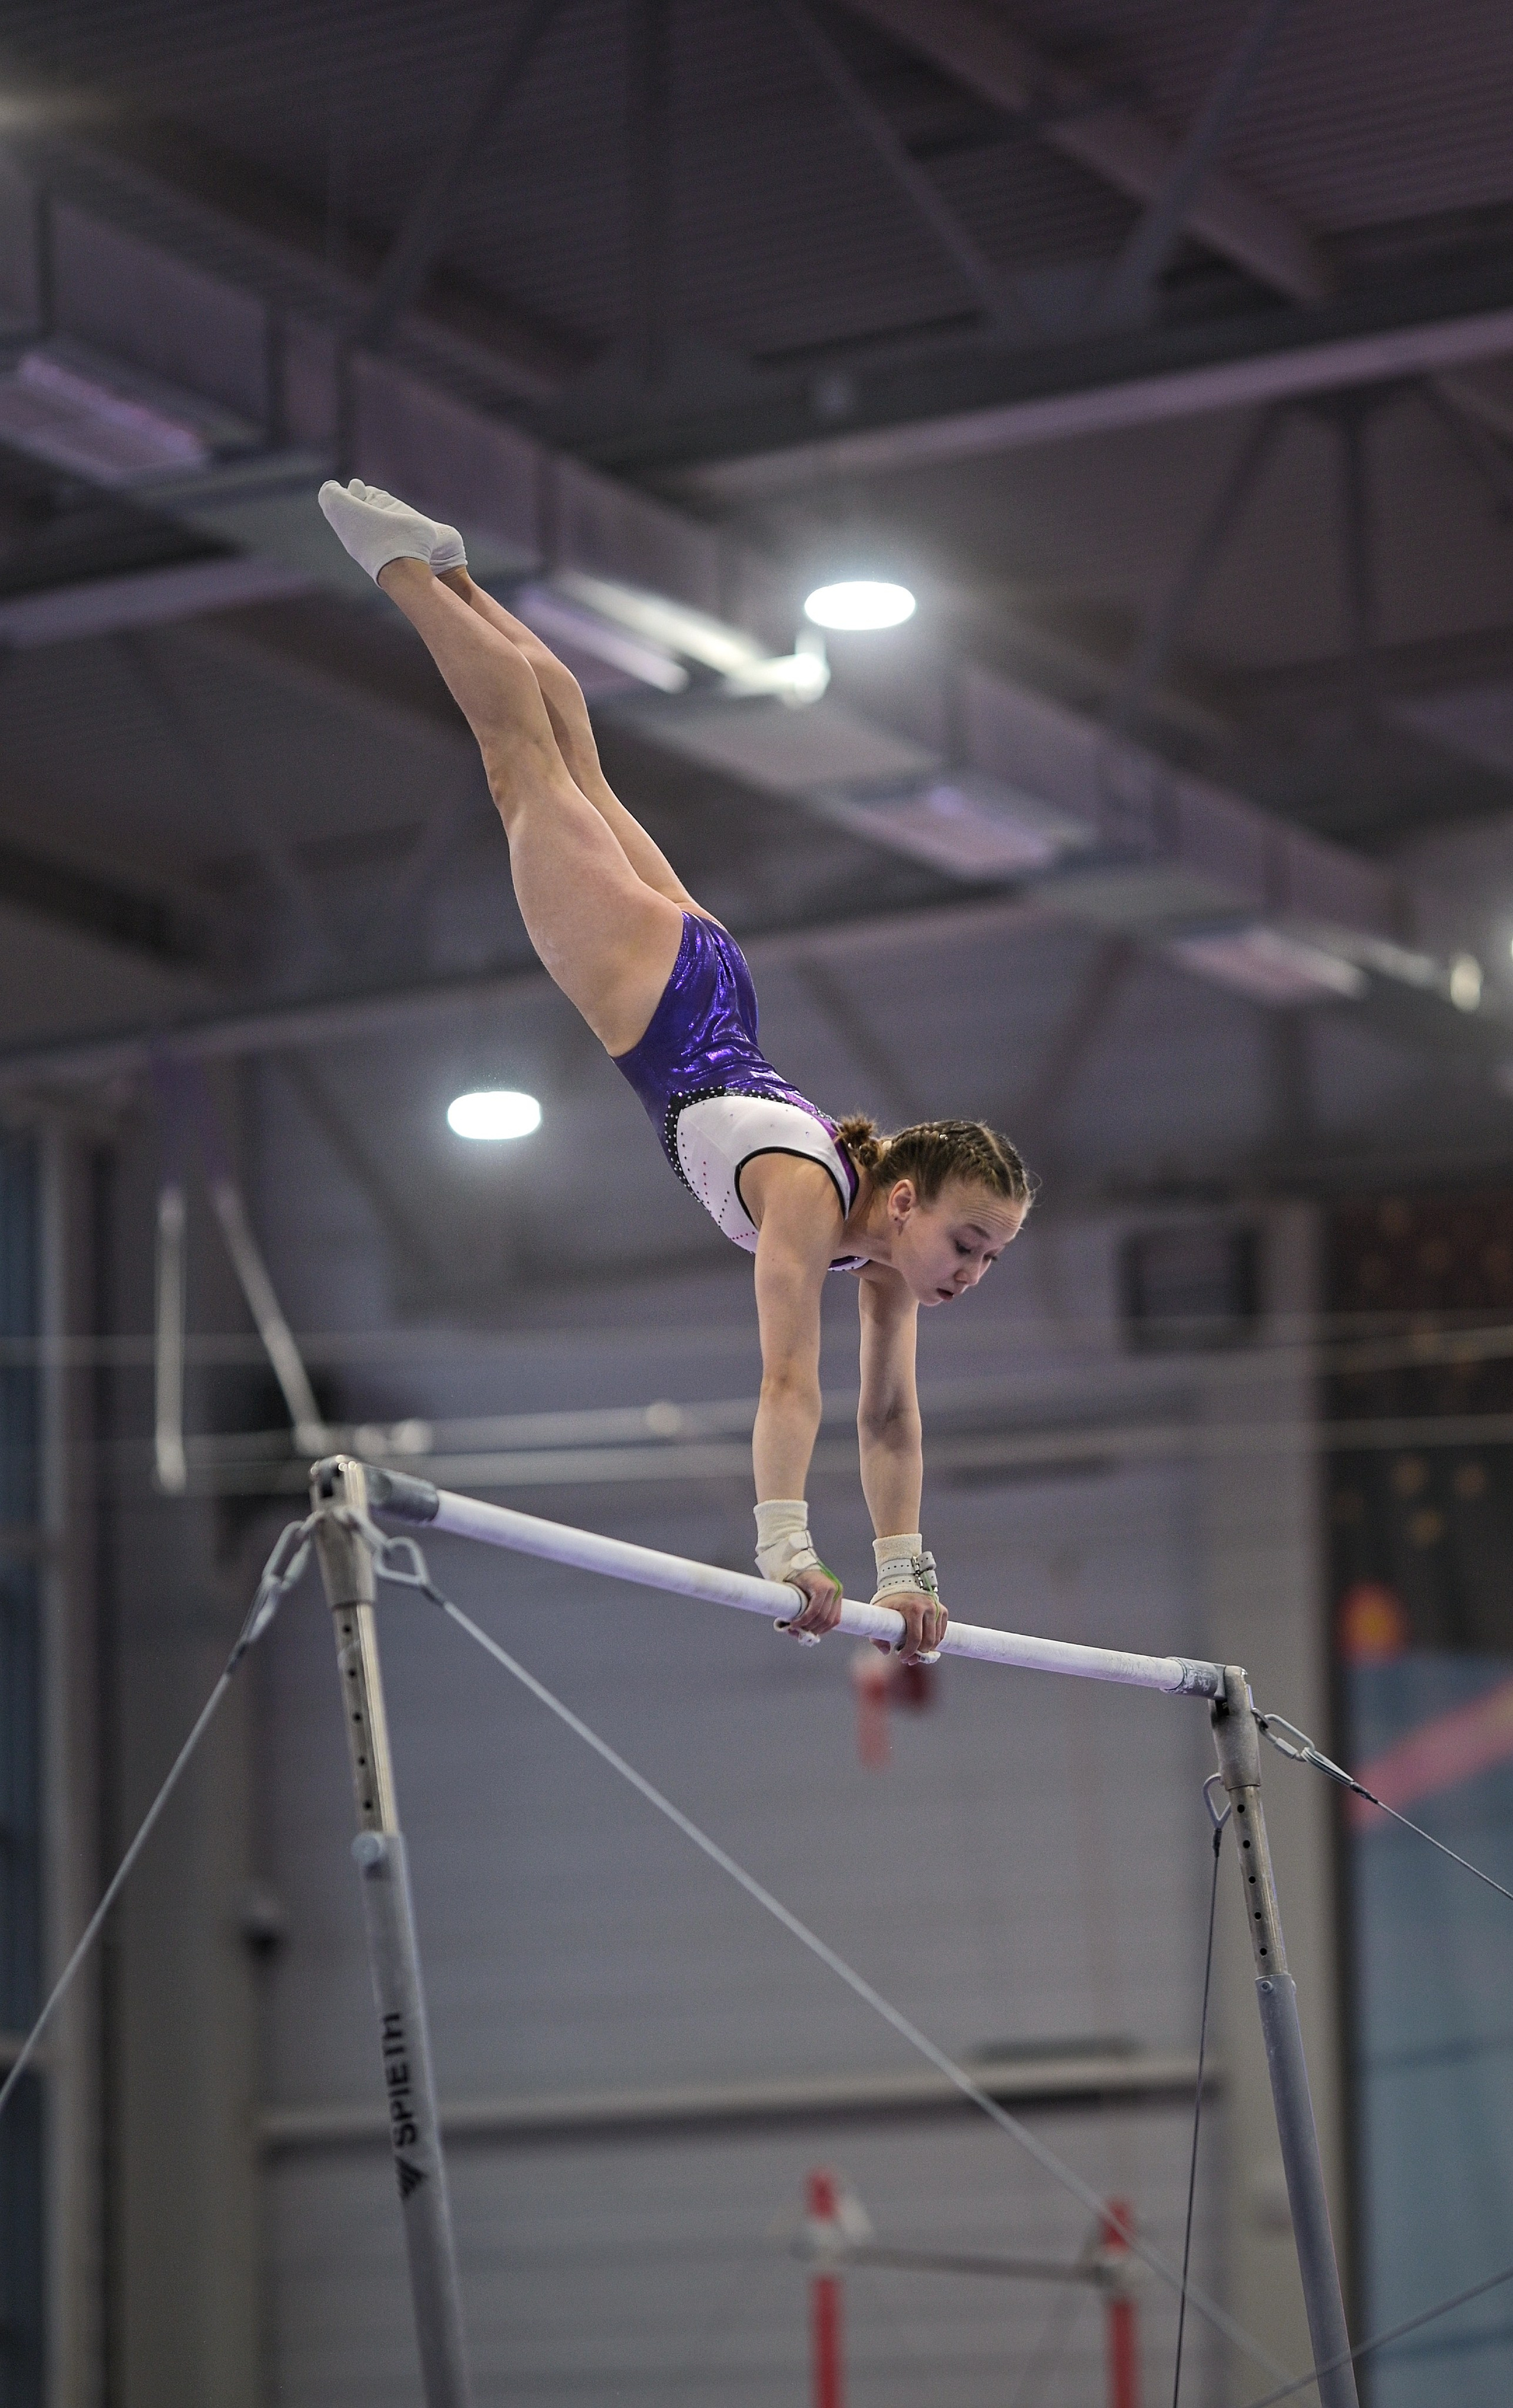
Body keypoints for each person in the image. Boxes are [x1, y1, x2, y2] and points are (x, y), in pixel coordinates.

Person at [317, 479, 1031, 1663]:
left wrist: (906, 1575)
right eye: (967, 1242)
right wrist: (786, 1552)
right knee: (525, 765)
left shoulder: (877, 1243)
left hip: (706, 991)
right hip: (659, 1005)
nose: (971, 1272)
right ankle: (404, 572)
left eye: (989, 1255)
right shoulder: (808, 1195)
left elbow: (890, 1417)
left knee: (572, 767)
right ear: (904, 1201)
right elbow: (790, 1381)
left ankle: (453, 571)